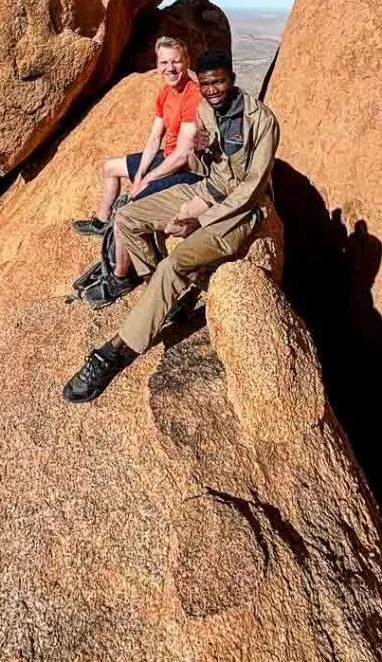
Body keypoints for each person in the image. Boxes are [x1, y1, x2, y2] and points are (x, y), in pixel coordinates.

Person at [63, 48, 280, 403]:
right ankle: (160, 293)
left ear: (232, 78)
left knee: (174, 265)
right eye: (206, 84)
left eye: (219, 82)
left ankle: (114, 352)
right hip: (205, 190)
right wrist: (200, 150)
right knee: (128, 217)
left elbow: (251, 188)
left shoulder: (262, 120)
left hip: (237, 213)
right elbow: (204, 168)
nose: (212, 90)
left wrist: (200, 219)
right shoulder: (207, 109)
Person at [71, 36, 203, 304]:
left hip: (186, 169)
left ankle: (120, 277)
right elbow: (154, 138)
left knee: (128, 213)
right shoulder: (165, 93)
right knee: (110, 167)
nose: (170, 68)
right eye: (164, 62)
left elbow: (183, 155)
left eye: (176, 62)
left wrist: (148, 179)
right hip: (166, 157)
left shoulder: (194, 96)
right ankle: (101, 222)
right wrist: (140, 173)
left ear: (187, 61)